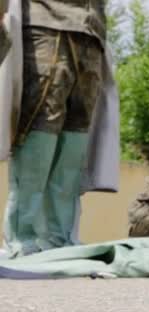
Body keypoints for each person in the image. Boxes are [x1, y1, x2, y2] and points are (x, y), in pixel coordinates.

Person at [3, 1, 115, 257]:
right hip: (46, 24)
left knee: (76, 136)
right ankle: (22, 239)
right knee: (40, 125)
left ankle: (59, 238)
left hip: (92, 32)